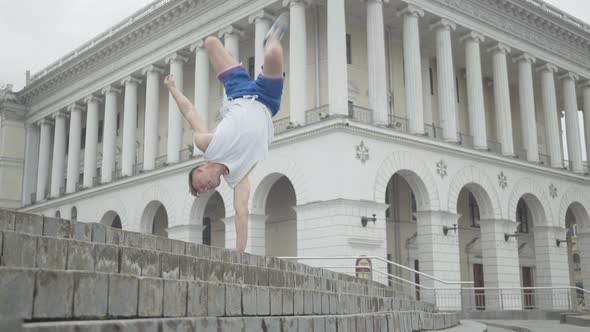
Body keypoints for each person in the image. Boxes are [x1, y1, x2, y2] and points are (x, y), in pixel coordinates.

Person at [164, 13, 289, 252]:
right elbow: (241, 213)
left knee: (211, 42)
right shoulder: (238, 177)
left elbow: (190, 112)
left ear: (200, 170)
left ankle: (252, 50)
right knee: (273, 53)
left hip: (238, 91)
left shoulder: (207, 145)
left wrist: (172, 89)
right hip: (266, 99)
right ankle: (272, 37)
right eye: (202, 191)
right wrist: (239, 252)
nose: (204, 189)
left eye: (199, 186)